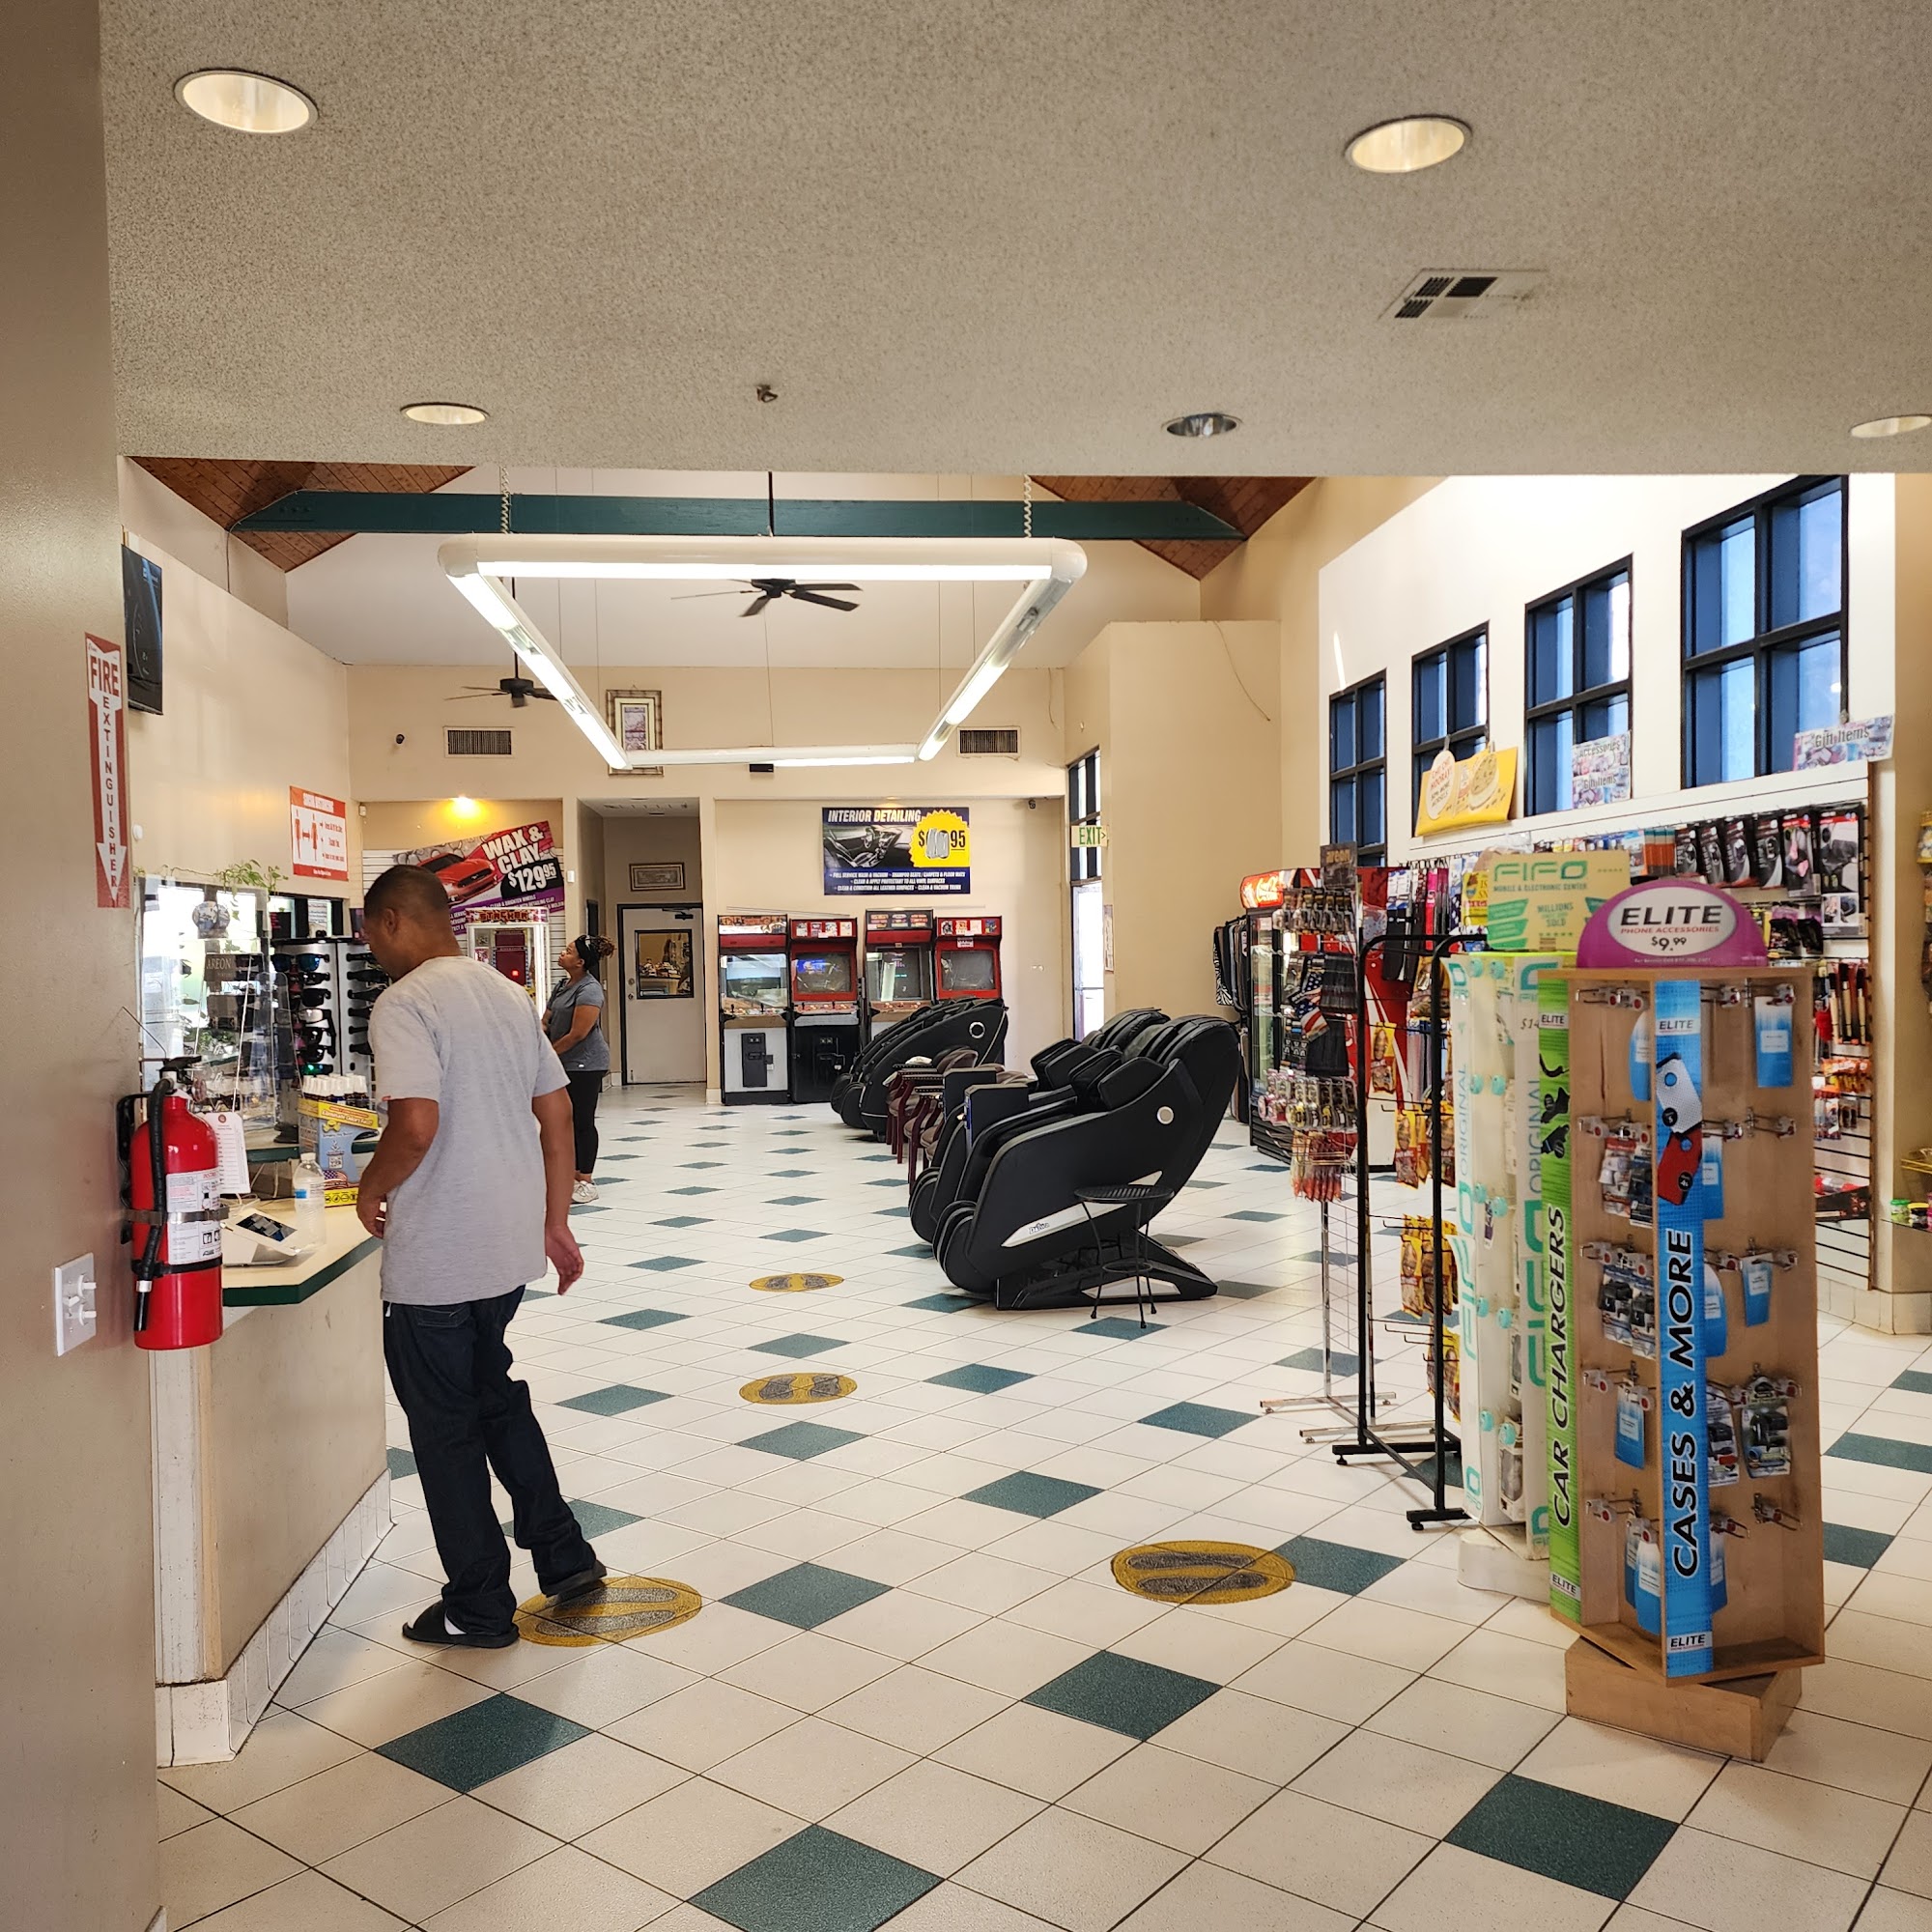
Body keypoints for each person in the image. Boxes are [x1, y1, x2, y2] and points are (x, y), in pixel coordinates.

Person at [355, 865, 603, 1647]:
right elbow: (556, 1116)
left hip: (438, 1255)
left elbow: (415, 1127)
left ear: (392, 920)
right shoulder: (504, 994)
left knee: (445, 1432)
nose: (372, 950)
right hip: (503, 1249)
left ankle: (479, 1606)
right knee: (494, 1396)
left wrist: (369, 1187)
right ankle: (564, 1557)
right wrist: (555, 1221)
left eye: (369, 934)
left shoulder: (405, 1002)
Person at [546, 933, 615, 1202]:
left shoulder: (590, 989)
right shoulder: (562, 985)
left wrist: (548, 1055)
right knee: (563, 1121)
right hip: (562, 1061)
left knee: (582, 1121)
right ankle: (569, 1175)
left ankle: (585, 1180)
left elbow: (578, 1033)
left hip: (585, 1064)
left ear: (580, 962)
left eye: (568, 951)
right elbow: (547, 1019)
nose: (562, 953)